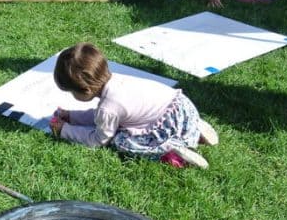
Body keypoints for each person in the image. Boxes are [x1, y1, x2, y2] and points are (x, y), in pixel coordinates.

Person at [50, 43, 218, 168]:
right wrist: (72, 116)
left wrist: (64, 130)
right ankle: (194, 129)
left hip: (165, 124)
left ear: (86, 90)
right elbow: (99, 116)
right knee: (122, 123)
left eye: (72, 92)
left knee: (120, 140)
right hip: (181, 109)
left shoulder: (108, 107)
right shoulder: (118, 82)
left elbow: (98, 139)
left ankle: (173, 153)